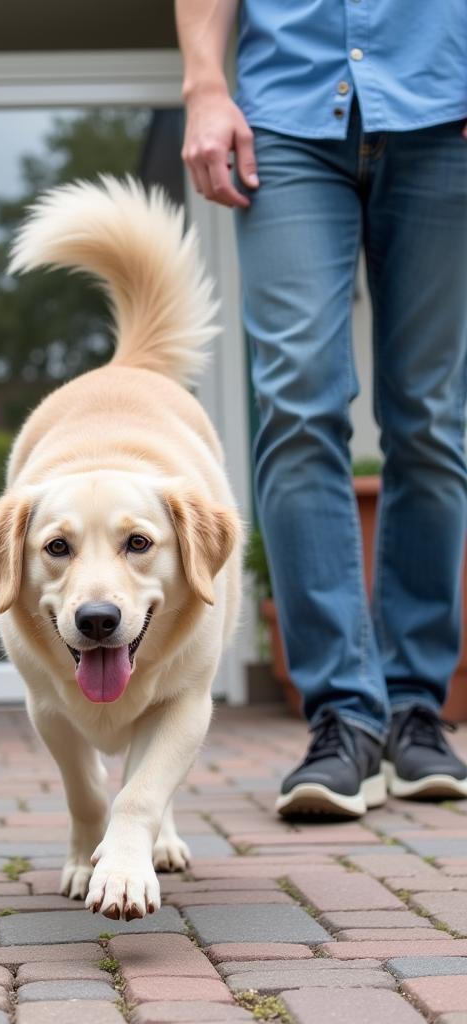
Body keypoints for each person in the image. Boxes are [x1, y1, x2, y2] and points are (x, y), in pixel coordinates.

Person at [176, 0, 467, 816]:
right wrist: (204, 84)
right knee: (298, 403)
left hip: (443, 109)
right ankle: (343, 715)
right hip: (288, 117)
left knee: (433, 417)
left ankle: (414, 710)